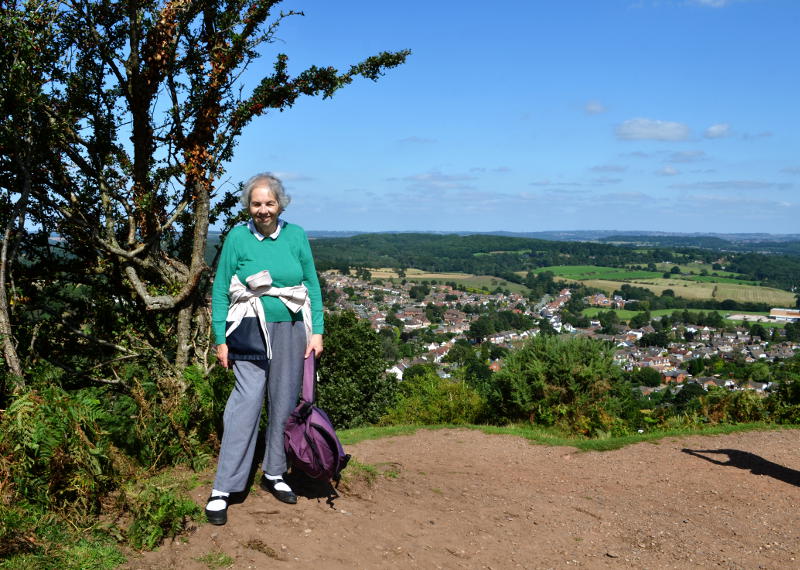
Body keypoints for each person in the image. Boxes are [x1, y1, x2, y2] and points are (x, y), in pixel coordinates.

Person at [204, 173, 324, 525]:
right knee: (246, 402)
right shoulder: (238, 237)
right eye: (256, 204)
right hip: (247, 328)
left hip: (290, 329)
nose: (263, 210)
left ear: (279, 204)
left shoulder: (296, 235)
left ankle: (274, 472)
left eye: (269, 203)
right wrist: (220, 338)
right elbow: (221, 290)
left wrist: (317, 332)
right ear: (249, 206)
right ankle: (223, 488)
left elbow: (311, 285)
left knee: (284, 400)